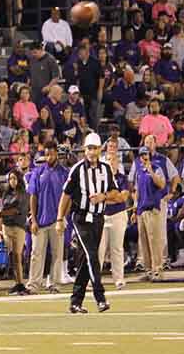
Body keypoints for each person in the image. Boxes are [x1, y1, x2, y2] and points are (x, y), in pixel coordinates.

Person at [56, 133, 117, 313]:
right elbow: (65, 195)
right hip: (81, 217)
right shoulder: (77, 169)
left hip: (98, 218)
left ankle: (75, 302)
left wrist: (103, 196)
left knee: (85, 260)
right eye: (88, 148)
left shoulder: (106, 168)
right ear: (84, 149)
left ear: (99, 149)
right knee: (92, 256)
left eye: (94, 148)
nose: (91, 152)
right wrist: (60, 219)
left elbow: (115, 192)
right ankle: (100, 297)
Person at [27, 141, 70, 293]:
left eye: (51, 153)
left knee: (57, 254)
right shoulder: (38, 172)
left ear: (57, 154)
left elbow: (68, 197)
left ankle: (55, 284)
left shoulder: (64, 172)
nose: (49, 156)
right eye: (46, 154)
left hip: (57, 220)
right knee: (36, 253)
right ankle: (33, 284)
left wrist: (63, 217)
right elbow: (33, 196)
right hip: (40, 219)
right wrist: (33, 219)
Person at [131, 146, 167, 281]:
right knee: (144, 242)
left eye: (145, 154)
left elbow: (162, 184)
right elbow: (137, 191)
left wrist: (151, 170)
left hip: (152, 209)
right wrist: (135, 210)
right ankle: (148, 270)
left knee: (154, 240)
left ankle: (157, 269)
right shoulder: (139, 171)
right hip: (141, 209)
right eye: (141, 155)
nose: (144, 157)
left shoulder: (157, 168)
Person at [99, 137, 130, 289]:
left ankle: (119, 279)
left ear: (118, 162)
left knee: (117, 248)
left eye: (113, 161)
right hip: (103, 215)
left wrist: (107, 197)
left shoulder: (122, 178)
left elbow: (123, 197)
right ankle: (95, 279)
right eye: (109, 160)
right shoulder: (100, 179)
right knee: (99, 249)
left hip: (118, 215)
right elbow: (99, 198)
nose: (111, 163)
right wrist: (111, 197)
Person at [0, 169, 29, 295]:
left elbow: (17, 210)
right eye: (10, 179)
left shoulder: (23, 194)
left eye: (14, 178)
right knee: (11, 256)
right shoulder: (6, 194)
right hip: (7, 227)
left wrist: (4, 212)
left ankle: (21, 283)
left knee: (17, 255)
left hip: (18, 227)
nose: (12, 181)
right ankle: (17, 282)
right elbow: (2, 211)